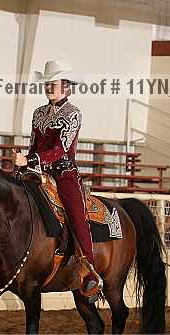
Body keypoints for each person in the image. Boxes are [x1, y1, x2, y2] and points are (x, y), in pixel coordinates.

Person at [14, 60, 102, 301]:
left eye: (52, 84)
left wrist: (29, 160)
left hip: (64, 173)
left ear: (66, 86)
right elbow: (34, 145)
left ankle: (89, 270)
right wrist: (23, 163)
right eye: (47, 84)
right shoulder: (38, 113)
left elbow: (60, 150)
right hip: (37, 171)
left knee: (76, 213)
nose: (48, 87)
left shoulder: (73, 113)